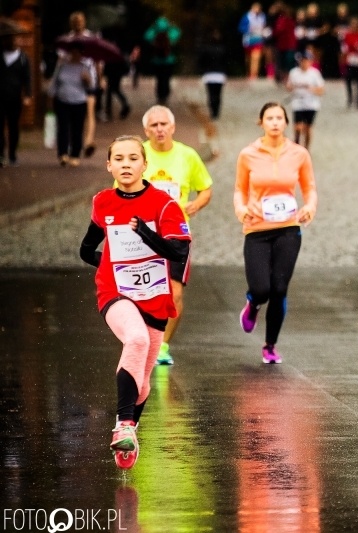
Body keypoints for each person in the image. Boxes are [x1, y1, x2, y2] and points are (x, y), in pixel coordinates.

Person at [79, 135, 192, 469]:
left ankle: (129, 430)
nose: (126, 164)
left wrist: (146, 233)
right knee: (137, 339)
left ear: (145, 164)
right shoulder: (102, 202)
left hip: (155, 296)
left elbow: (179, 252)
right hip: (115, 292)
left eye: (132, 158)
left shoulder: (164, 204)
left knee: (142, 381)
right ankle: (124, 425)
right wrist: (112, 265)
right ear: (110, 165)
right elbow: (86, 251)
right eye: (119, 159)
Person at [234, 102, 318, 364]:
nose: (274, 122)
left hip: (288, 227)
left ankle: (270, 345)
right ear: (261, 122)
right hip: (257, 227)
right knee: (262, 288)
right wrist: (241, 209)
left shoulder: (299, 154)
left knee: (280, 289)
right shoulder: (248, 154)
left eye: (279, 117)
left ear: (286, 122)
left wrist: (310, 207)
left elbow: (310, 188)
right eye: (269, 118)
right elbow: (239, 189)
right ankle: (253, 304)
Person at [140, 105, 213, 364]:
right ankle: (142, 339)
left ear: (172, 127)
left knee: (175, 294)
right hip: (143, 234)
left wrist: (196, 204)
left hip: (176, 235)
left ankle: (162, 346)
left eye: (164, 124)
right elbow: (121, 189)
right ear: (146, 130)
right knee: (144, 292)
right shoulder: (138, 155)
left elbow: (205, 188)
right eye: (154, 125)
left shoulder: (187, 155)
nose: (159, 129)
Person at [48, 40, 96, 167]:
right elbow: (55, 82)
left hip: (79, 101)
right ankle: (63, 153)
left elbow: (92, 86)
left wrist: (87, 80)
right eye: (72, 52)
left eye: (77, 52)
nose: (75, 55)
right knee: (63, 127)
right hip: (62, 100)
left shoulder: (85, 67)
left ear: (81, 54)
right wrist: (51, 95)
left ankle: (75, 155)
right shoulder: (62, 66)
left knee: (77, 129)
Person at [64, 11, 101, 157]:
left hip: (89, 79)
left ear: (84, 22)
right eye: (75, 23)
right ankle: (75, 142)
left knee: (90, 110)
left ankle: (89, 141)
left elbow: (97, 60)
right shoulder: (67, 40)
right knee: (75, 115)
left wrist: (100, 78)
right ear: (71, 24)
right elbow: (63, 60)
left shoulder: (91, 39)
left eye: (80, 22)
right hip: (73, 81)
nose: (78, 25)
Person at [0, 31, 32, 167]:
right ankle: (1, 154)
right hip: (1, 97)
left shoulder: (23, 58)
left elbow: (27, 78)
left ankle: (12, 154)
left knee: (14, 126)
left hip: (15, 97)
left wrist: (27, 95)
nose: (13, 41)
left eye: (15, 39)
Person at [286, 50, 325, 148]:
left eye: (306, 61)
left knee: (308, 128)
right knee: (298, 127)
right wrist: (293, 87)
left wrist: (311, 89)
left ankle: (306, 148)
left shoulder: (315, 74)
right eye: (302, 61)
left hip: (311, 104)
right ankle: (296, 146)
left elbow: (321, 90)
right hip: (298, 103)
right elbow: (288, 87)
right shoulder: (294, 72)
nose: (304, 63)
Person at [144, 16, 181, 105]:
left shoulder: (154, 34)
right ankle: (165, 95)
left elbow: (146, 36)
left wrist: (153, 27)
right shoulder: (170, 35)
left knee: (159, 79)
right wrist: (171, 26)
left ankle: (160, 95)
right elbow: (178, 32)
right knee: (166, 79)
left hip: (157, 61)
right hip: (168, 61)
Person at [198, 28, 227, 121]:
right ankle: (216, 112)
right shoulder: (223, 49)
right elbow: (226, 62)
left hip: (209, 75)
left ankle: (212, 112)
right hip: (220, 75)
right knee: (218, 94)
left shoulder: (206, 49)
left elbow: (201, 61)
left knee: (211, 94)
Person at [341, 16, 358, 109]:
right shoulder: (347, 35)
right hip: (350, 60)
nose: (353, 27)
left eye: (355, 25)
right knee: (348, 79)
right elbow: (343, 47)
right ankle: (350, 98)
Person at [239, 3, 267, 80]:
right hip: (248, 40)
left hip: (258, 39)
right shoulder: (247, 16)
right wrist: (248, 30)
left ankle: (254, 74)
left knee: (256, 57)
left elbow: (265, 26)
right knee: (248, 58)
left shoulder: (263, 17)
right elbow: (241, 27)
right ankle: (248, 72)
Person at [271, 2, 297, 84]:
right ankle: (287, 77)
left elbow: (278, 31)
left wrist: (272, 32)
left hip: (284, 44)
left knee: (283, 61)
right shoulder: (290, 19)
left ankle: (284, 77)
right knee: (288, 62)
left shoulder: (281, 20)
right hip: (289, 44)